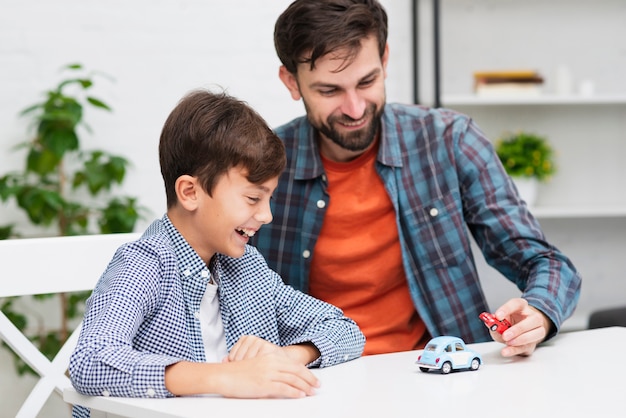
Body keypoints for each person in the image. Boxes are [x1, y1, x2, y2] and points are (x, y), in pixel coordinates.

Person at [252, 0, 582, 358]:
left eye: (367, 81)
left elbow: (546, 263)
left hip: (440, 372)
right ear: (291, 81)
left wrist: (538, 312)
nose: (355, 108)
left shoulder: (449, 140)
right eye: (329, 91)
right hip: (312, 379)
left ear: (385, 60)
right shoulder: (261, 165)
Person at [69, 89, 365, 417]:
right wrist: (226, 377)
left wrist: (286, 357)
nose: (267, 216)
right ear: (190, 192)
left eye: (270, 199)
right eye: (253, 199)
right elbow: (91, 360)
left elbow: (345, 329)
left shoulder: (248, 268)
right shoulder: (145, 264)